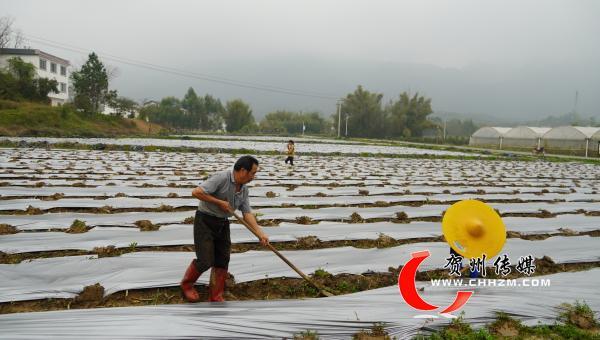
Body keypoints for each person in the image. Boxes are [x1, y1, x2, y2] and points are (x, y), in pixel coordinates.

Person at [180, 155, 269, 302]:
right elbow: (196, 192)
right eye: (252, 173)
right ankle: (187, 285)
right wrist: (219, 202)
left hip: (222, 222)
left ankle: (216, 295)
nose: (254, 176)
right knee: (205, 260)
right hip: (205, 220)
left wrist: (260, 234)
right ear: (242, 170)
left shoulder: (244, 190)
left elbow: (247, 213)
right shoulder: (221, 178)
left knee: (223, 259)